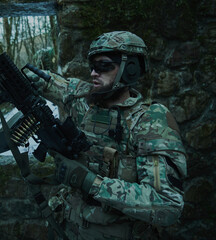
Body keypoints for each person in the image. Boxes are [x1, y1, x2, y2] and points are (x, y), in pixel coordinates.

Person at [33, 31, 187, 239]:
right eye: (92, 67)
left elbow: (167, 204)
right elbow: (49, 82)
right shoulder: (84, 98)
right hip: (69, 227)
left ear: (129, 69)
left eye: (104, 66)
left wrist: (88, 181)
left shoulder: (150, 120)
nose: (94, 73)